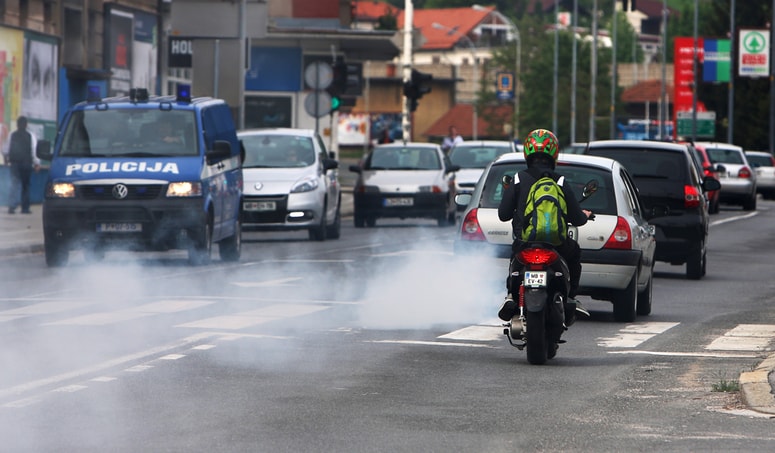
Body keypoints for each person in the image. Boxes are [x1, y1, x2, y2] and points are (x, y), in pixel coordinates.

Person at [497, 129, 593, 322]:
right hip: (555, 244)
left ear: (527, 153)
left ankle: (510, 295)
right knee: (574, 253)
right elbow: (578, 219)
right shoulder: (560, 181)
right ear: (554, 154)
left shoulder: (517, 179)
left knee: (514, 257)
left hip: (525, 242)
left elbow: (503, 215)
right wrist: (584, 215)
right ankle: (571, 297)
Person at [3, 116, 40, 214]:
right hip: (27, 164)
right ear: (26, 124)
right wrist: (36, 163)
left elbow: (5, 149)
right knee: (26, 186)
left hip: (15, 163)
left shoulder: (12, 135)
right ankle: (25, 208)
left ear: (17, 124)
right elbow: (34, 151)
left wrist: (6, 159)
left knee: (14, 184)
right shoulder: (30, 135)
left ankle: (12, 206)